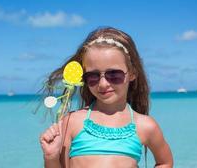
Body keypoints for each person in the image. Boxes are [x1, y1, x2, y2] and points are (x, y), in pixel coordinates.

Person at [39, 27, 173, 168]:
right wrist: (51, 157)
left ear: (132, 73)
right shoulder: (72, 122)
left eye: (114, 75)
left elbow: (165, 162)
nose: (103, 84)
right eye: (93, 76)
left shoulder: (145, 126)